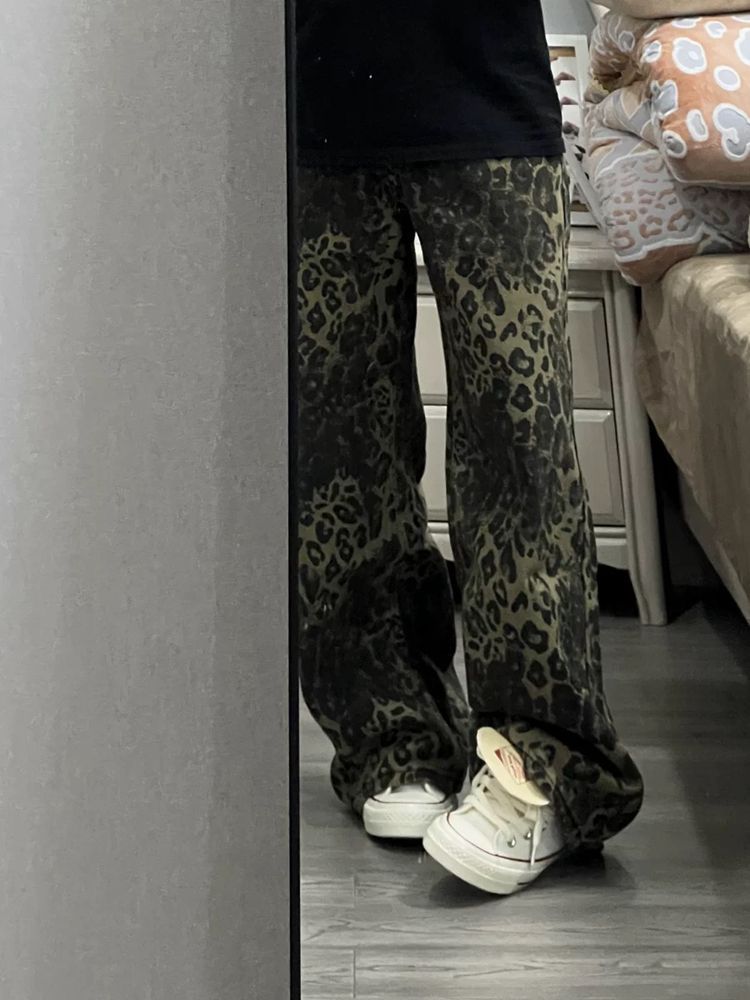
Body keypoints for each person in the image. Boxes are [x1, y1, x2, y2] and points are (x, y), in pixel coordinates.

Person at [295, 0, 644, 895]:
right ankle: (393, 736)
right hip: (310, 113)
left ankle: (552, 767)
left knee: (518, 447)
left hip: (488, 106)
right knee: (337, 459)